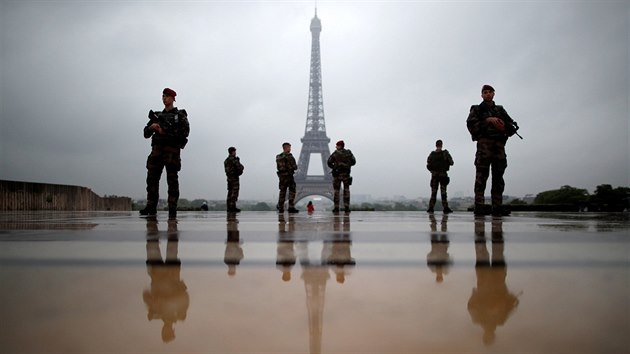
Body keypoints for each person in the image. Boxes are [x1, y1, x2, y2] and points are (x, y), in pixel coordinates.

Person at [466, 85, 518, 216]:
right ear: (482, 95)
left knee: (498, 178)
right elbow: (471, 126)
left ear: (494, 94)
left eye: (490, 92)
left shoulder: (500, 110)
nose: (488, 94)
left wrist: (503, 126)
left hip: (499, 147)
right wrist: (488, 120)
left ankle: (497, 206)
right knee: (481, 178)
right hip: (484, 146)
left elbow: (512, 127)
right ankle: (479, 206)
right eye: (485, 92)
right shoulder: (477, 109)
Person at [140, 88, 190, 219]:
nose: (164, 98)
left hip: (172, 154)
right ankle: (151, 206)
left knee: (172, 182)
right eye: (163, 96)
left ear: (173, 98)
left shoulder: (180, 116)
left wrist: (164, 132)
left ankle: (172, 208)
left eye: (167, 96)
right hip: (156, 153)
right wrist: (152, 127)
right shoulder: (157, 116)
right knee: (151, 181)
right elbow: (145, 133)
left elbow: (185, 134)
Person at [327, 140, 356, 213]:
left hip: (337, 175)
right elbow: (354, 162)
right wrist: (347, 166)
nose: (336, 146)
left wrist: (334, 168)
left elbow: (329, 162)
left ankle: (336, 208)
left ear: (339, 146)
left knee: (336, 191)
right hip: (346, 175)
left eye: (337, 145)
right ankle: (347, 207)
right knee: (346, 191)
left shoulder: (335, 154)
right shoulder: (348, 153)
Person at [426, 139, 454, 214]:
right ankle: (445, 208)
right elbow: (451, 162)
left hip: (434, 176)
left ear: (436, 145)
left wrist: (433, 171)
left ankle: (431, 208)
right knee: (443, 192)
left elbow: (428, 165)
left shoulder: (432, 154)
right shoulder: (445, 153)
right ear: (441, 145)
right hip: (442, 175)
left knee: (433, 192)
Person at [276, 142, 299, 213]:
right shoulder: (290, 157)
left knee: (282, 192)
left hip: (282, 177)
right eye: (289, 147)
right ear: (286, 148)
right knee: (292, 191)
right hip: (289, 176)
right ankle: (291, 207)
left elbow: (278, 167)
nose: (290, 149)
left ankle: (280, 207)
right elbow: (295, 167)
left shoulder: (278, 156)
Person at [224, 146, 244, 213]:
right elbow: (240, 167)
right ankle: (232, 207)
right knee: (234, 193)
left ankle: (229, 207)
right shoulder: (234, 160)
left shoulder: (226, 161)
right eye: (234, 151)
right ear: (232, 152)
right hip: (234, 178)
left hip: (229, 178)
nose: (235, 153)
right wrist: (238, 162)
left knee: (230, 192)